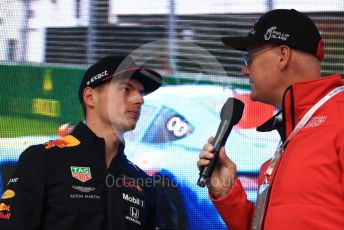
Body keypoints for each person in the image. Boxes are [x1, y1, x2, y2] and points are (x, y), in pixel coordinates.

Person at [197, 9, 344, 230]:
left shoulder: (338, 118)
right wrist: (226, 192)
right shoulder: (291, 134)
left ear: (282, 55)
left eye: (250, 57)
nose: (245, 70)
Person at [0, 55, 163, 229]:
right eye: (125, 89)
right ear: (90, 97)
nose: (139, 99)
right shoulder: (42, 159)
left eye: (141, 92)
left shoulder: (144, 183)